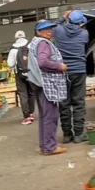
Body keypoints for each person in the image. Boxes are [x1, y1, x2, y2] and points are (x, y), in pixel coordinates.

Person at [27, 20, 68, 156]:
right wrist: (59, 66)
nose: (49, 31)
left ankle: (45, 146)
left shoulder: (35, 42)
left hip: (38, 83)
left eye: (50, 28)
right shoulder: (43, 43)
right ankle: (50, 147)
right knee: (50, 116)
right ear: (38, 32)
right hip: (46, 84)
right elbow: (43, 62)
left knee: (45, 116)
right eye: (45, 29)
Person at [52, 10, 89, 143]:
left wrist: (63, 17)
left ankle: (67, 134)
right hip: (79, 70)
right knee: (78, 102)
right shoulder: (84, 34)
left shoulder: (58, 31)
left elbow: (53, 25)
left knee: (64, 103)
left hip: (62, 71)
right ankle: (79, 134)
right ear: (80, 23)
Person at [6, 30, 36, 125]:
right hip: (31, 73)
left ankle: (26, 117)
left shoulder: (13, 49)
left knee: (23, 95)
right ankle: (31, 113)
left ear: (16, 38)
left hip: (19, 74)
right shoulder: (30, 45)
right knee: (31, 93)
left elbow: (10, 64)